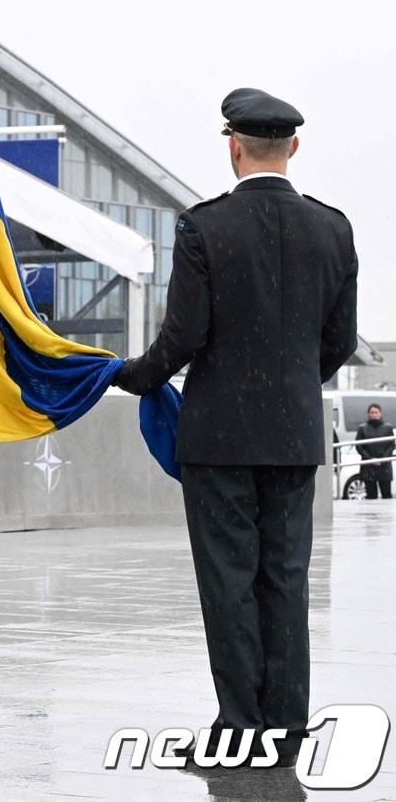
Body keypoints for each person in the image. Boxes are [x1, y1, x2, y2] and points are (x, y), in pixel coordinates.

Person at [114, 88, 358, 767]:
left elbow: (182, 338)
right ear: (295, 148)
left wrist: (133, 374)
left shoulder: (204, 227)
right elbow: (336, 343)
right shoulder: (333, 230)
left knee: (228, 582)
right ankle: (287, 728)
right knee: (286, 578)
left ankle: (240, 728)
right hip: (294, 436)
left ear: (234, 146)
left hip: (218, 437)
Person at [355, 403, 394, 500]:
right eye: (371, 412)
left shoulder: (388, 428)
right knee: (371, 496)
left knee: (386, 495)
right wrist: (370, 459)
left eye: (376, 412)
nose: (374, 414)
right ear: (368, 414)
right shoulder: (362, 428)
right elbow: (359, 446)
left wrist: (383, 459)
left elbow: (391, 445)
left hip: (384, 466)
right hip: (368, 466)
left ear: (380, 413)